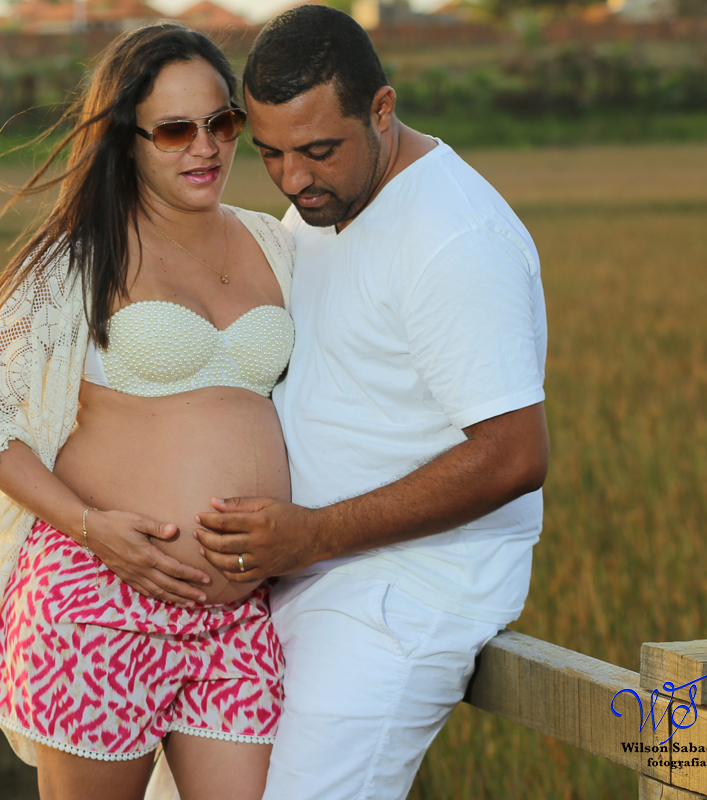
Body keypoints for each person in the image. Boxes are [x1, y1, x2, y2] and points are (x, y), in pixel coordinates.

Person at [167, 6, 549, 800]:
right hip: (293, 572)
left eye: (317, 150)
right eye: (270, 152)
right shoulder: (323, 201)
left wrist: (312, 534)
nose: (292, 178)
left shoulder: (454, 238)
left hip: (404, 591)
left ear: (381, 110)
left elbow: (513, 456)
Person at [0, 23, 295, 800]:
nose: (205, 147)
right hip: (97, 604)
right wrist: (91, 527)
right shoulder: (76, 258)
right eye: (174, 130)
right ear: (125, 138)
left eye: (221, 121)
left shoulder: (275, 243)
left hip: (236, 618)